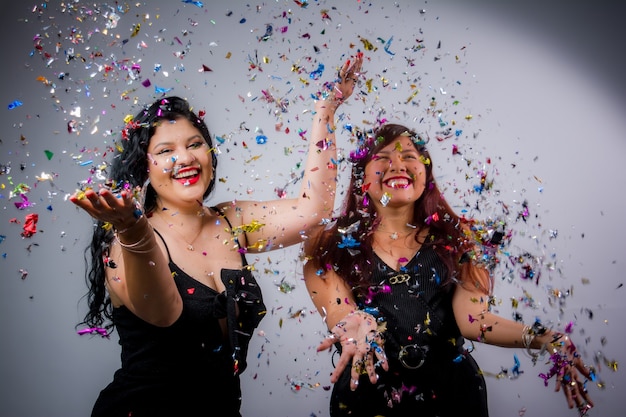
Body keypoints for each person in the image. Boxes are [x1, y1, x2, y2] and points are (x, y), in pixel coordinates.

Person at [70, 52, 363, 417]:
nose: (185, 158)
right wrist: (132, 227)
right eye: (165, 151)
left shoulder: (232, 220)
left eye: (194, 144)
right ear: (143, 167)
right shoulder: (124, 242)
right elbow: (164, 314)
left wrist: (326, 111)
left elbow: (313, 210)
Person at [302, 122, 596, 416]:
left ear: (425, 174)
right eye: (382, 157)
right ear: (361, 175)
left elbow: (474, 321)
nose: (398, 164)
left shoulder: (462, 239)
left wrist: (544, 338)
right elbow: (340, 313)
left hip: (453, 397)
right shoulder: (326, 244)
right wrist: (356, 324)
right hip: (366, 399)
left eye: (409, 156)